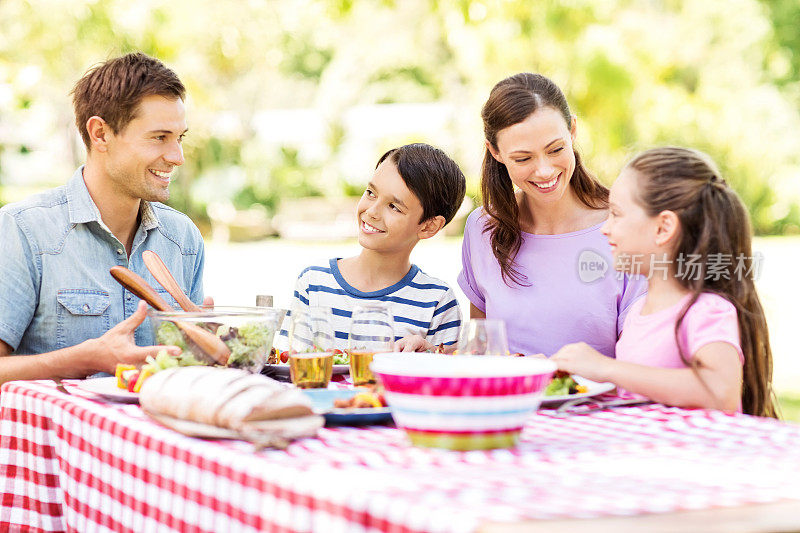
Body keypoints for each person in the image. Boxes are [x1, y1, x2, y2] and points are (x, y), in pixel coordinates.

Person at [0, 52, 208, 385]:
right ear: (100, 134)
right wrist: (84, 359)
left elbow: (191, 370)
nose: (177, 157)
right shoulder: (23, 230)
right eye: (159, 137)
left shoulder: (184, 239)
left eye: (179, 138)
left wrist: (206, 347)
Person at [552, 147, 776, 417]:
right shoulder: (639, 310)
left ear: (663, 228)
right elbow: (641, 389)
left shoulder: (704, 310)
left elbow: (721, 391)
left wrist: (606, 368)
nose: (605, 227)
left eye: (616, 214)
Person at [457, 73, 646, 356]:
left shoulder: (623, 226)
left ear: (572, 131)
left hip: (600, 399)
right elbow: (480, 352)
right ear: (495, 151)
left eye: (555, 149)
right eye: (523, 158)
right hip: (508, 398)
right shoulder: (482, 228)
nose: (544, 171)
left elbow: (644, 355)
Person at [280, 143, 466, 351]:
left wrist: (429, 353)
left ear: (429, 226)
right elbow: (288, 364)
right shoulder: (314, 283)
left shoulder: (437, 301)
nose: (372, 212)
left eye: (393, 207)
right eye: (371, 193)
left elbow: (447, 377)